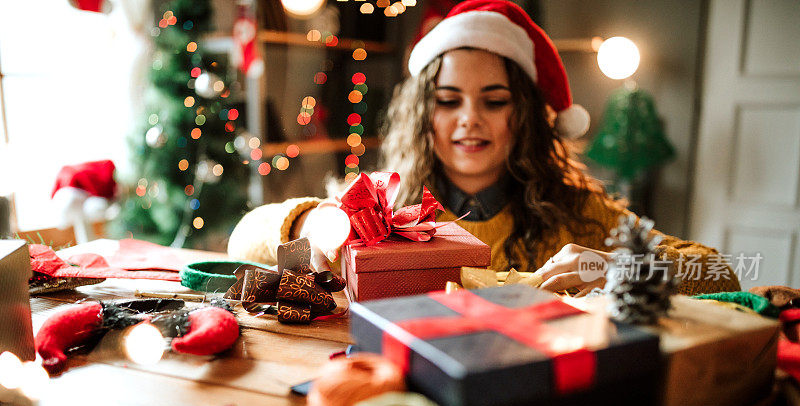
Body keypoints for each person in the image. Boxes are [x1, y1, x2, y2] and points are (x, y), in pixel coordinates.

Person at [227, 0, 739, 296]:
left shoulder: (579, 212)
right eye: (448, 101)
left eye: (494, 101)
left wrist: (623, 267)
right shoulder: (385, 208)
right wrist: (315, 222)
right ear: (424, 114)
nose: (469, 118)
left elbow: (722, 272)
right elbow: (242, 240)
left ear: (526, 118)